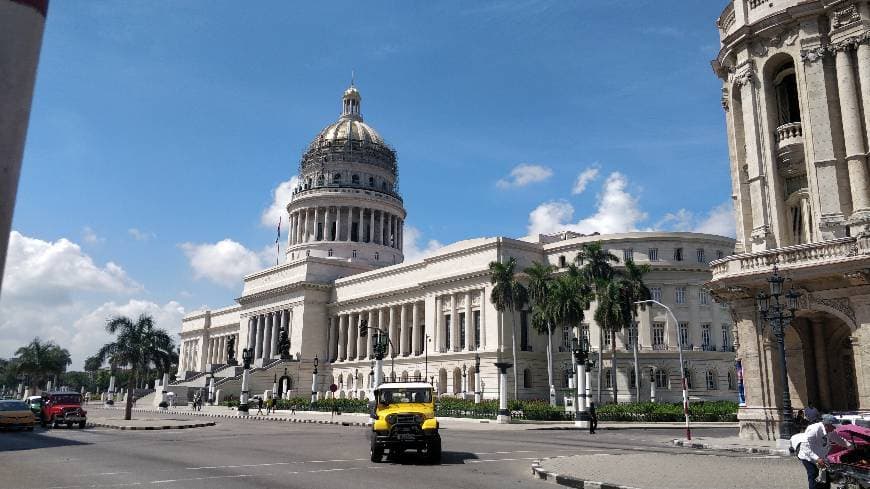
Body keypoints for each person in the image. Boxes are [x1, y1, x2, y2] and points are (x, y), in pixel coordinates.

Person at [798, 414, 851, 489]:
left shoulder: (830, 430)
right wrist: (817, 459)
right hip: (808, 457)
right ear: (827, 425)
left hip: (821, 456)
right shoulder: (814, 429)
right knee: (814, 476)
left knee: (825, 478)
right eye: (833, 426)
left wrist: (851, 446)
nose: (834, 428)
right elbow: (806, 447)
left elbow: (839, 440)